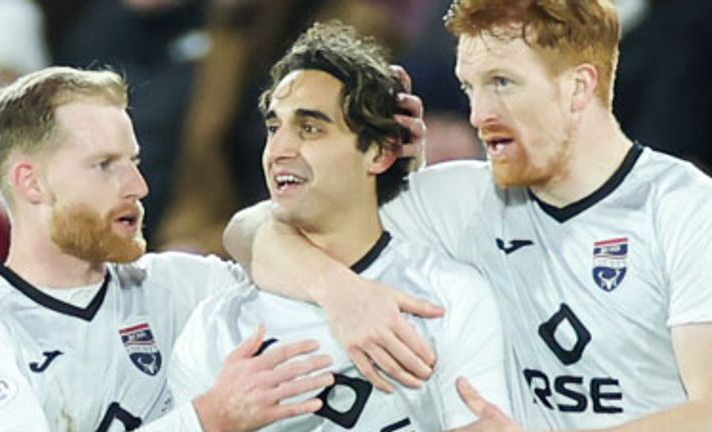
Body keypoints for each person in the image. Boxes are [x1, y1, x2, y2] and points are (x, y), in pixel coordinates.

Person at [224, 1, 712, 431]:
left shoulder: (687, 209)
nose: (478, 115)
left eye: (502, 82)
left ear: (579, 87)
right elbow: (250, 232)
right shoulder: (463, 199)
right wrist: (341, 293)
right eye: (468, 88)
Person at [168, 21, 508, 431]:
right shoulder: (216, 326)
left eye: (311, 128)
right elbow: (245, 227)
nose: (279, 150)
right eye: (274, 128)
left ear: (379, 153)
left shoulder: (447, 299)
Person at [0, 66, 334, 431]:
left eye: (133, 162)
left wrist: (336, 286)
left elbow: (295, 243)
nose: (138, 186)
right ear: (32, 183)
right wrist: (208, 418)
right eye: (104, 165)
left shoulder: (179, 285)